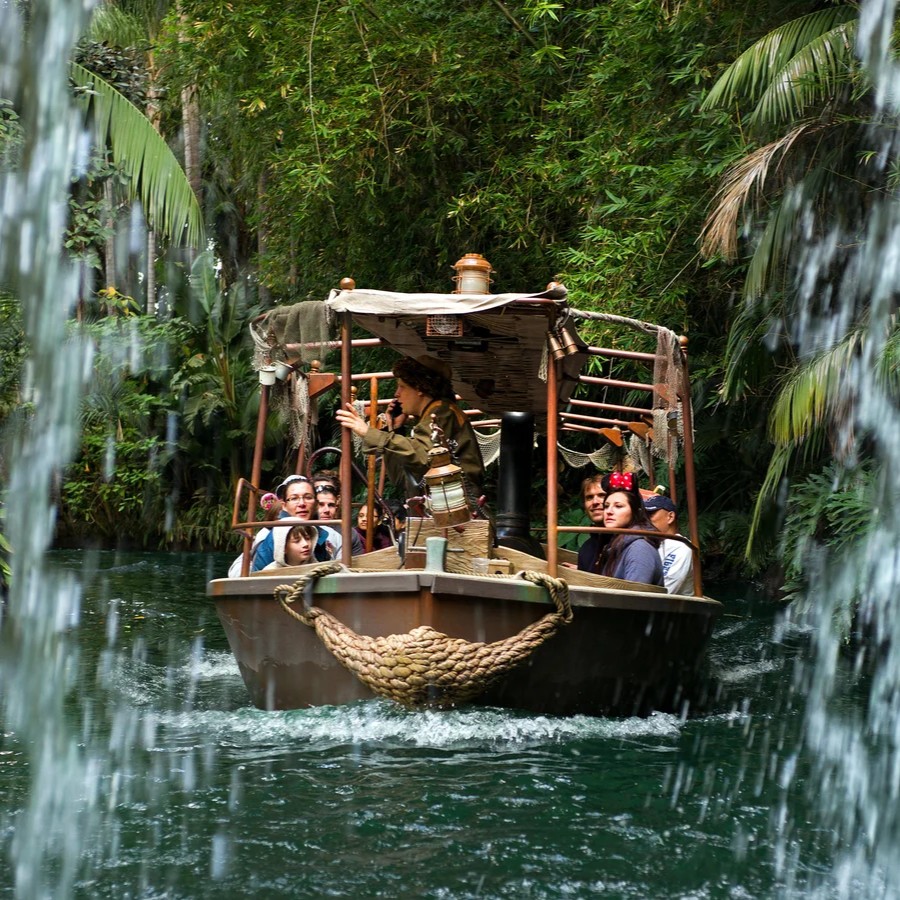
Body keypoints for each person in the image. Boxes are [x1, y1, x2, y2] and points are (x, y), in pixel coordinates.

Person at [335, 355, 484, 499]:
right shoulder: (428, 419)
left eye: (402, 387)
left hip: (460, 505)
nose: (397, 394)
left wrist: (369, 433)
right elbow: (401, 479)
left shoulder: (442, 413)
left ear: (419, 388)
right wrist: (394, 429)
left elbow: (423, 455)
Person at [250, 475, 362, 571]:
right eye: (294, 498)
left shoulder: (329, 535)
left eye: (308, 497)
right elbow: (255, 577)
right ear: (284, 505)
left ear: (316, 503)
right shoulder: (268, 536)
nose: (302, 503)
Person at [582, 489, 663, 587]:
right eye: (606, 506)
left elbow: (635, 593)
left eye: (618, 506)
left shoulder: (639, 548)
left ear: (635, 511)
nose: (609, 512)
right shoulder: (615, 545)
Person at [644, 495, 694, 594]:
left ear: (670, 517)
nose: (645, 520)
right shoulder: (652, 543)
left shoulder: (681, 547)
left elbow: (666, 591)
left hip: (672, 602)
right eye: (644, 515)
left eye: (650, 514)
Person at [574, 473, 608, 571]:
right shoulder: (586, 549)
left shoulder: (625, 542)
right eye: (589, 497)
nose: (595, 502)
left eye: (601, 495)